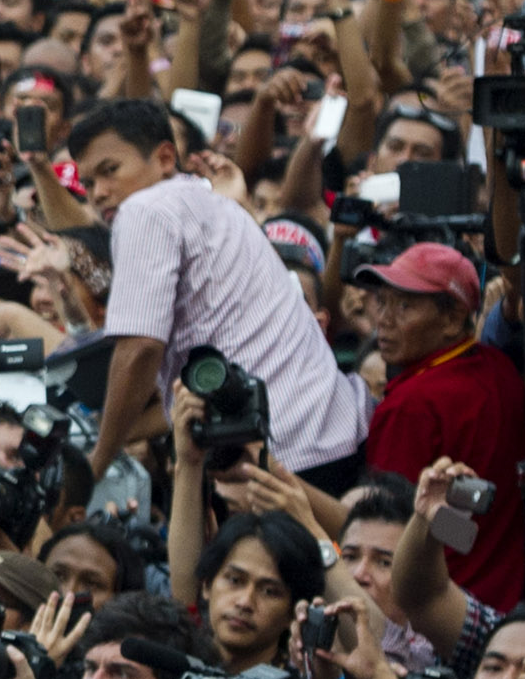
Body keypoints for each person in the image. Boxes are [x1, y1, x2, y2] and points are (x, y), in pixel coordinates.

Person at [67, 97, 368, 486]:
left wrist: (96, 465)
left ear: (163, 157)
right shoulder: (212, 201)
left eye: (111, 171)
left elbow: (140, 350)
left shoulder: (144, 209)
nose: (99, 192)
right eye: (88, 182)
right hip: (337, 434)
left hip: (282, 452)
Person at [353, 241, 525, 607]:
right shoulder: (502, 368)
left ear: (452, 319)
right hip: (504, 598)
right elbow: (466, 529)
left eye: (405, 306)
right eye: (381, 302)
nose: (384, 320)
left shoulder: (412, 404)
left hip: (436, 607)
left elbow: (387, 527)